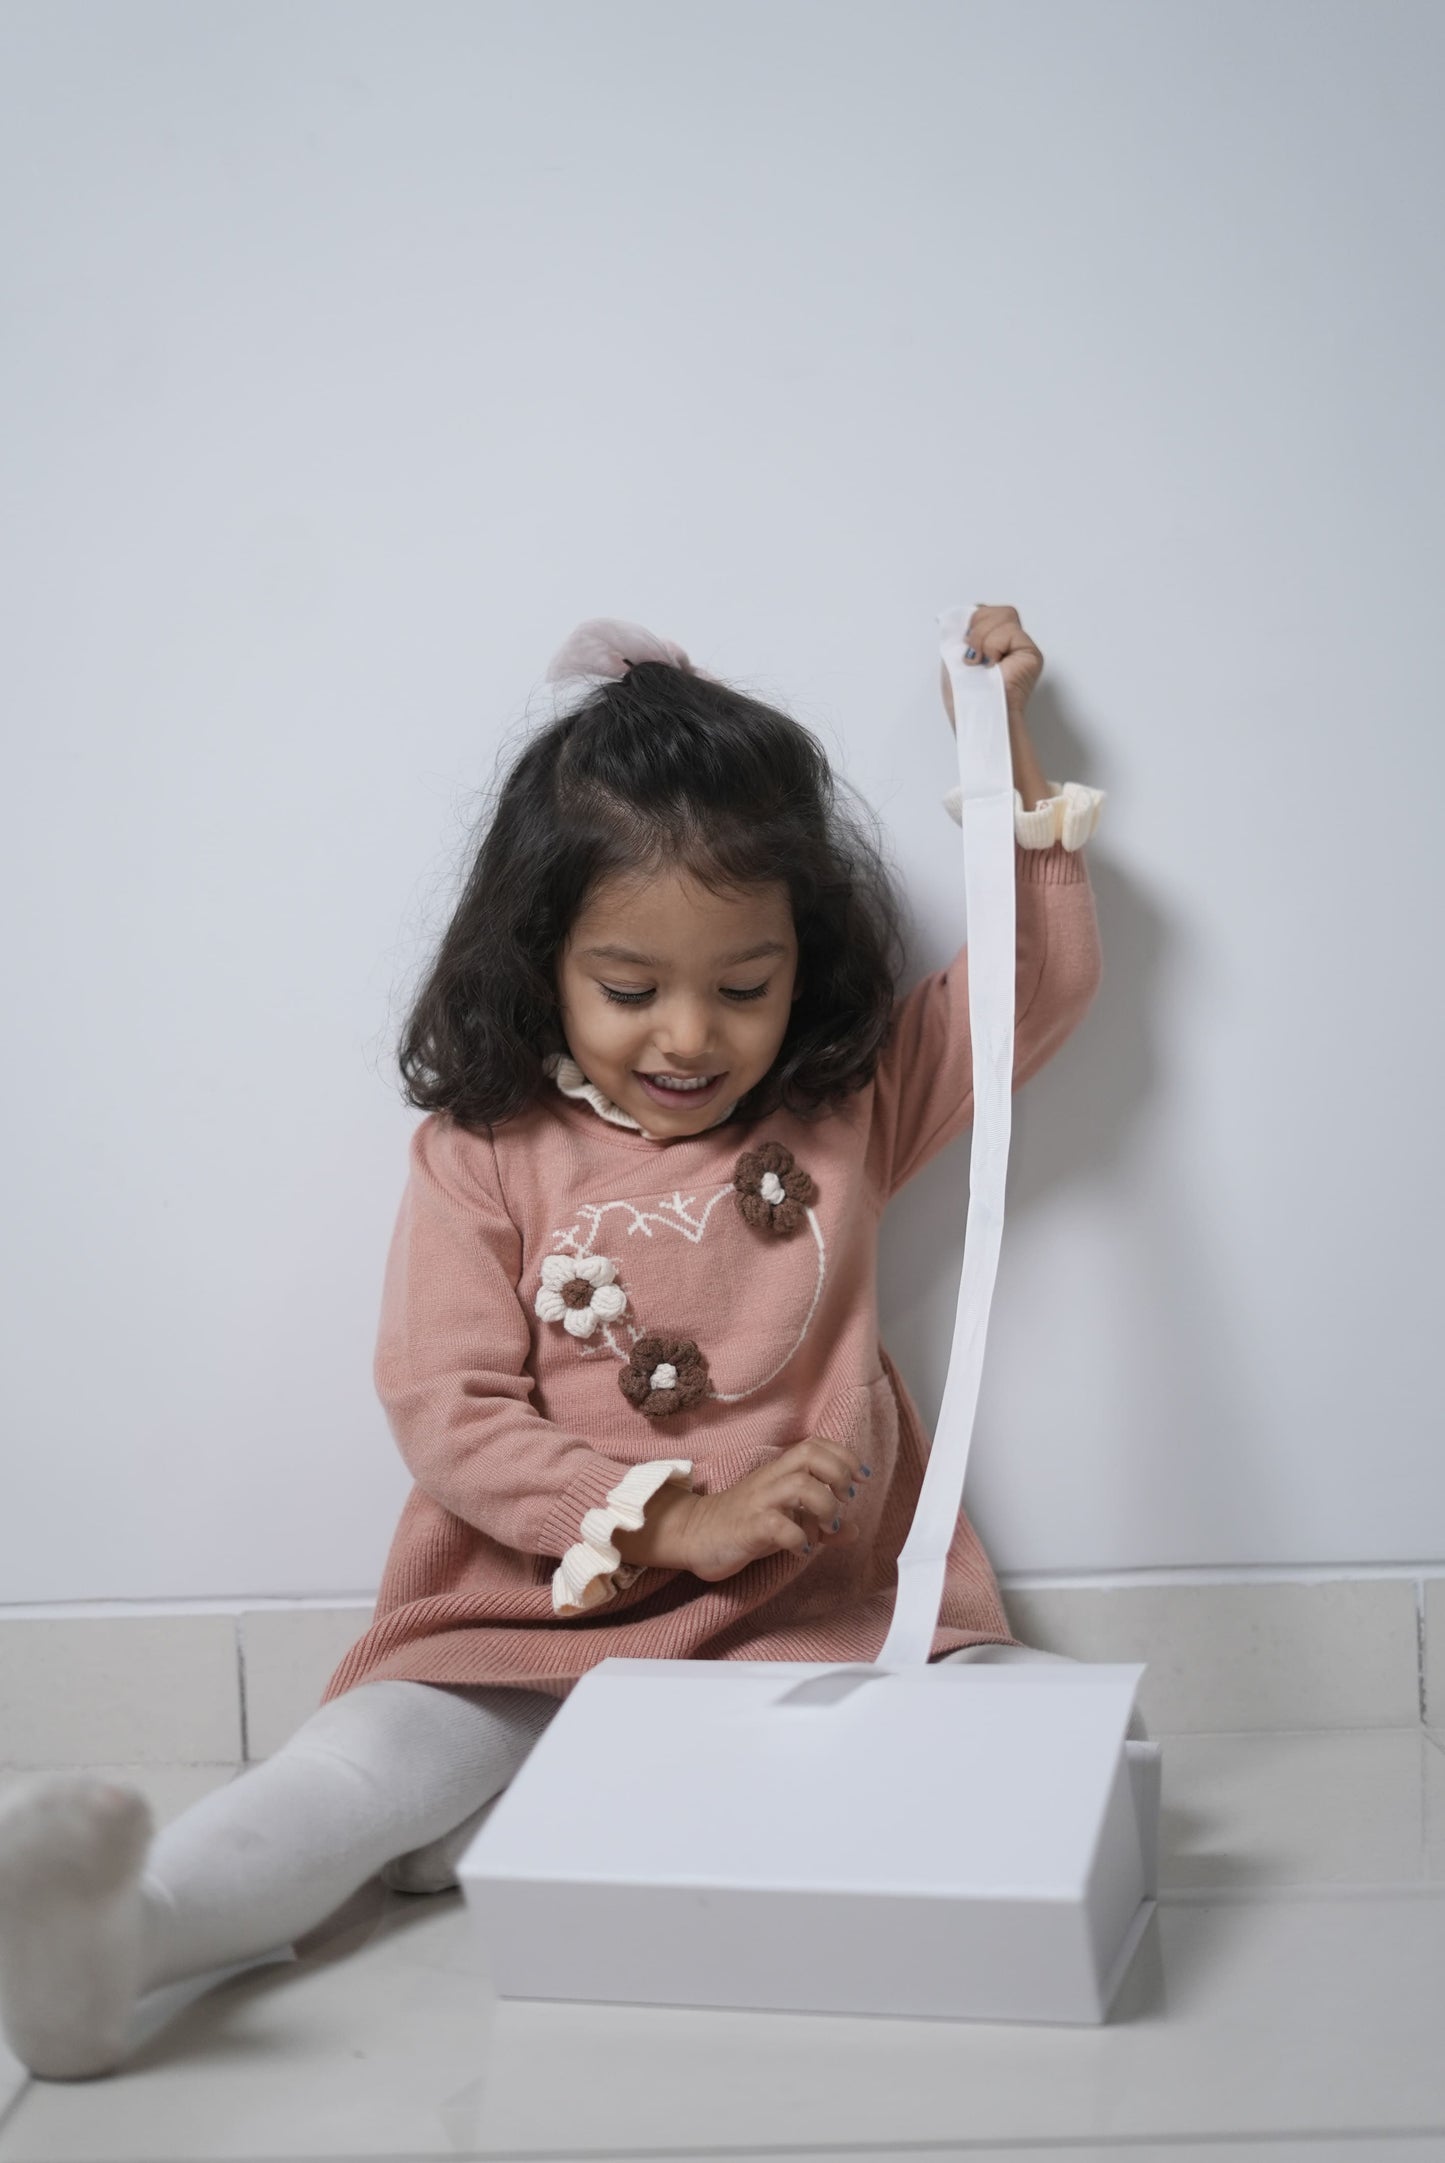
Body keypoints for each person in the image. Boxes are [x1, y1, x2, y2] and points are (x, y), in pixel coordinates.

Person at [0, 605, 1133, 2081]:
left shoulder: (845, 1108)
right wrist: (676, 1517)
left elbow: (1031, 988)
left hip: (813, 1608)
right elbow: (448, 1410)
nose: (687, 1037)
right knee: (357, 1774)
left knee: (1044, 1756)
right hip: (532, 1615)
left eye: (743, 986)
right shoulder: (486, 1154)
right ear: (543, 960)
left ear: (804, 961)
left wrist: (1000, 744)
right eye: (628, 988)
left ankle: (531, 1828)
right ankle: (127, 1938)